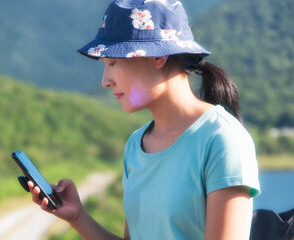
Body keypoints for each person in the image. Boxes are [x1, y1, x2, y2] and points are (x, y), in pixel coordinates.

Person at [28, 0, 261, 239]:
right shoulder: (136, 145)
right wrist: (77, 217)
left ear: (157, 57)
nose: (105, 80)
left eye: (113, 62)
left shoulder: (222, 139)